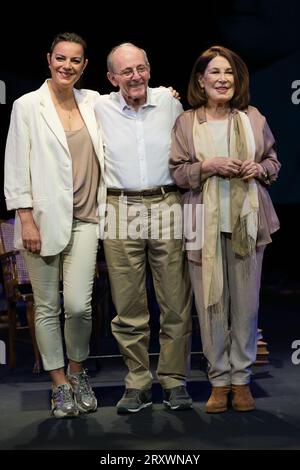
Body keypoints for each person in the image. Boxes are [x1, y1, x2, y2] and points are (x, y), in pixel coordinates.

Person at [169, 45, 280, 413]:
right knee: (211, 305)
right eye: (214, 72)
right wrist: (208, 166)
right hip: (203, 225)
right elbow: (178, 173)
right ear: (201, 80)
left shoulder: (253, 117)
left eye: (228, 72)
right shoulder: (187, 122)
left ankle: (241, 380)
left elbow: (273, 163)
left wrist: (259, 170)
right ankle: (219, 381)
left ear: (237, 79)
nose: (222, 79)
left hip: (248, 222)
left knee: (246, 308)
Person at [4, 32, 106, 418]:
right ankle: (60, 384)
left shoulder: (94, 102)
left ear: (84, 66)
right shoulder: (27, 105)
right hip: (41, 222)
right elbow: (15, 165)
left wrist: (167, 96)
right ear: (49, 59)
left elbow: (134, 98)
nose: (67, 66)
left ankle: (78, 373)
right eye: (60, 58)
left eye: (75, 61)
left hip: (86, 219)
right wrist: (25, 220)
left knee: (79, 306)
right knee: (46, 306)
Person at [94, 43, 193, 414]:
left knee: (175, 301)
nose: (135, 76)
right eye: (126, 71)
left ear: (149, 69)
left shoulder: (170, 102)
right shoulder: (98, 107)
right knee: (129, 305)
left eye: (140, 68)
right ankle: (137, 381)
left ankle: (173, 381)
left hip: (166, 203)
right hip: (119, 207)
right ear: (111, 78)